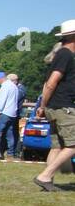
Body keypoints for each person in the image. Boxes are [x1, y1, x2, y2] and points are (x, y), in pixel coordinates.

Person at [34, 19, 75, 190]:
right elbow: (51, 83)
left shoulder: (60, 55)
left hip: (55, 106)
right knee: (73, 145)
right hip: (63, 106)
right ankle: (45, 176)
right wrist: (42, 106)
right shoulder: (66, 55)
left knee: (57, 146)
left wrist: (44, 106)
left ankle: (48, 181)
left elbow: (47, 84)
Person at [0, 70, 20, 160]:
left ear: (0, 79)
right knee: (10, 134)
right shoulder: (14, 86)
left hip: (5, 113)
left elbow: (2, 101)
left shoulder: (4, 87)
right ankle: (10, 154)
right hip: (13, 113)